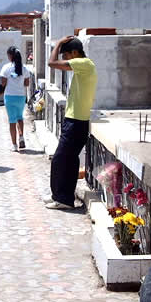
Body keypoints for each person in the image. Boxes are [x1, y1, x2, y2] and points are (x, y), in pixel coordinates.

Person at [45, 36, 97, 210]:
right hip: (75, 120)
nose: (65, 59)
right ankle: (63, 196)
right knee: (68, 161)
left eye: (66, 55)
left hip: (76, 122)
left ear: (75, 52)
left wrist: (58, 43)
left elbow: (51, 63)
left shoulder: (84, 63)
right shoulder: (84, 66)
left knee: (60, 160)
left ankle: (62, 198)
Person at [0, 46, 30, 152]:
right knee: (19, 117)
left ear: (10, 56)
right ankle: (21, 136)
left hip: (9, 96)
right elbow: (27, 83)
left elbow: (3, 83)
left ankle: (14, 145)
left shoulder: (6, 68)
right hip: (21, 96)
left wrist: (10, 80)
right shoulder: (24, 68)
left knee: (12, 121)